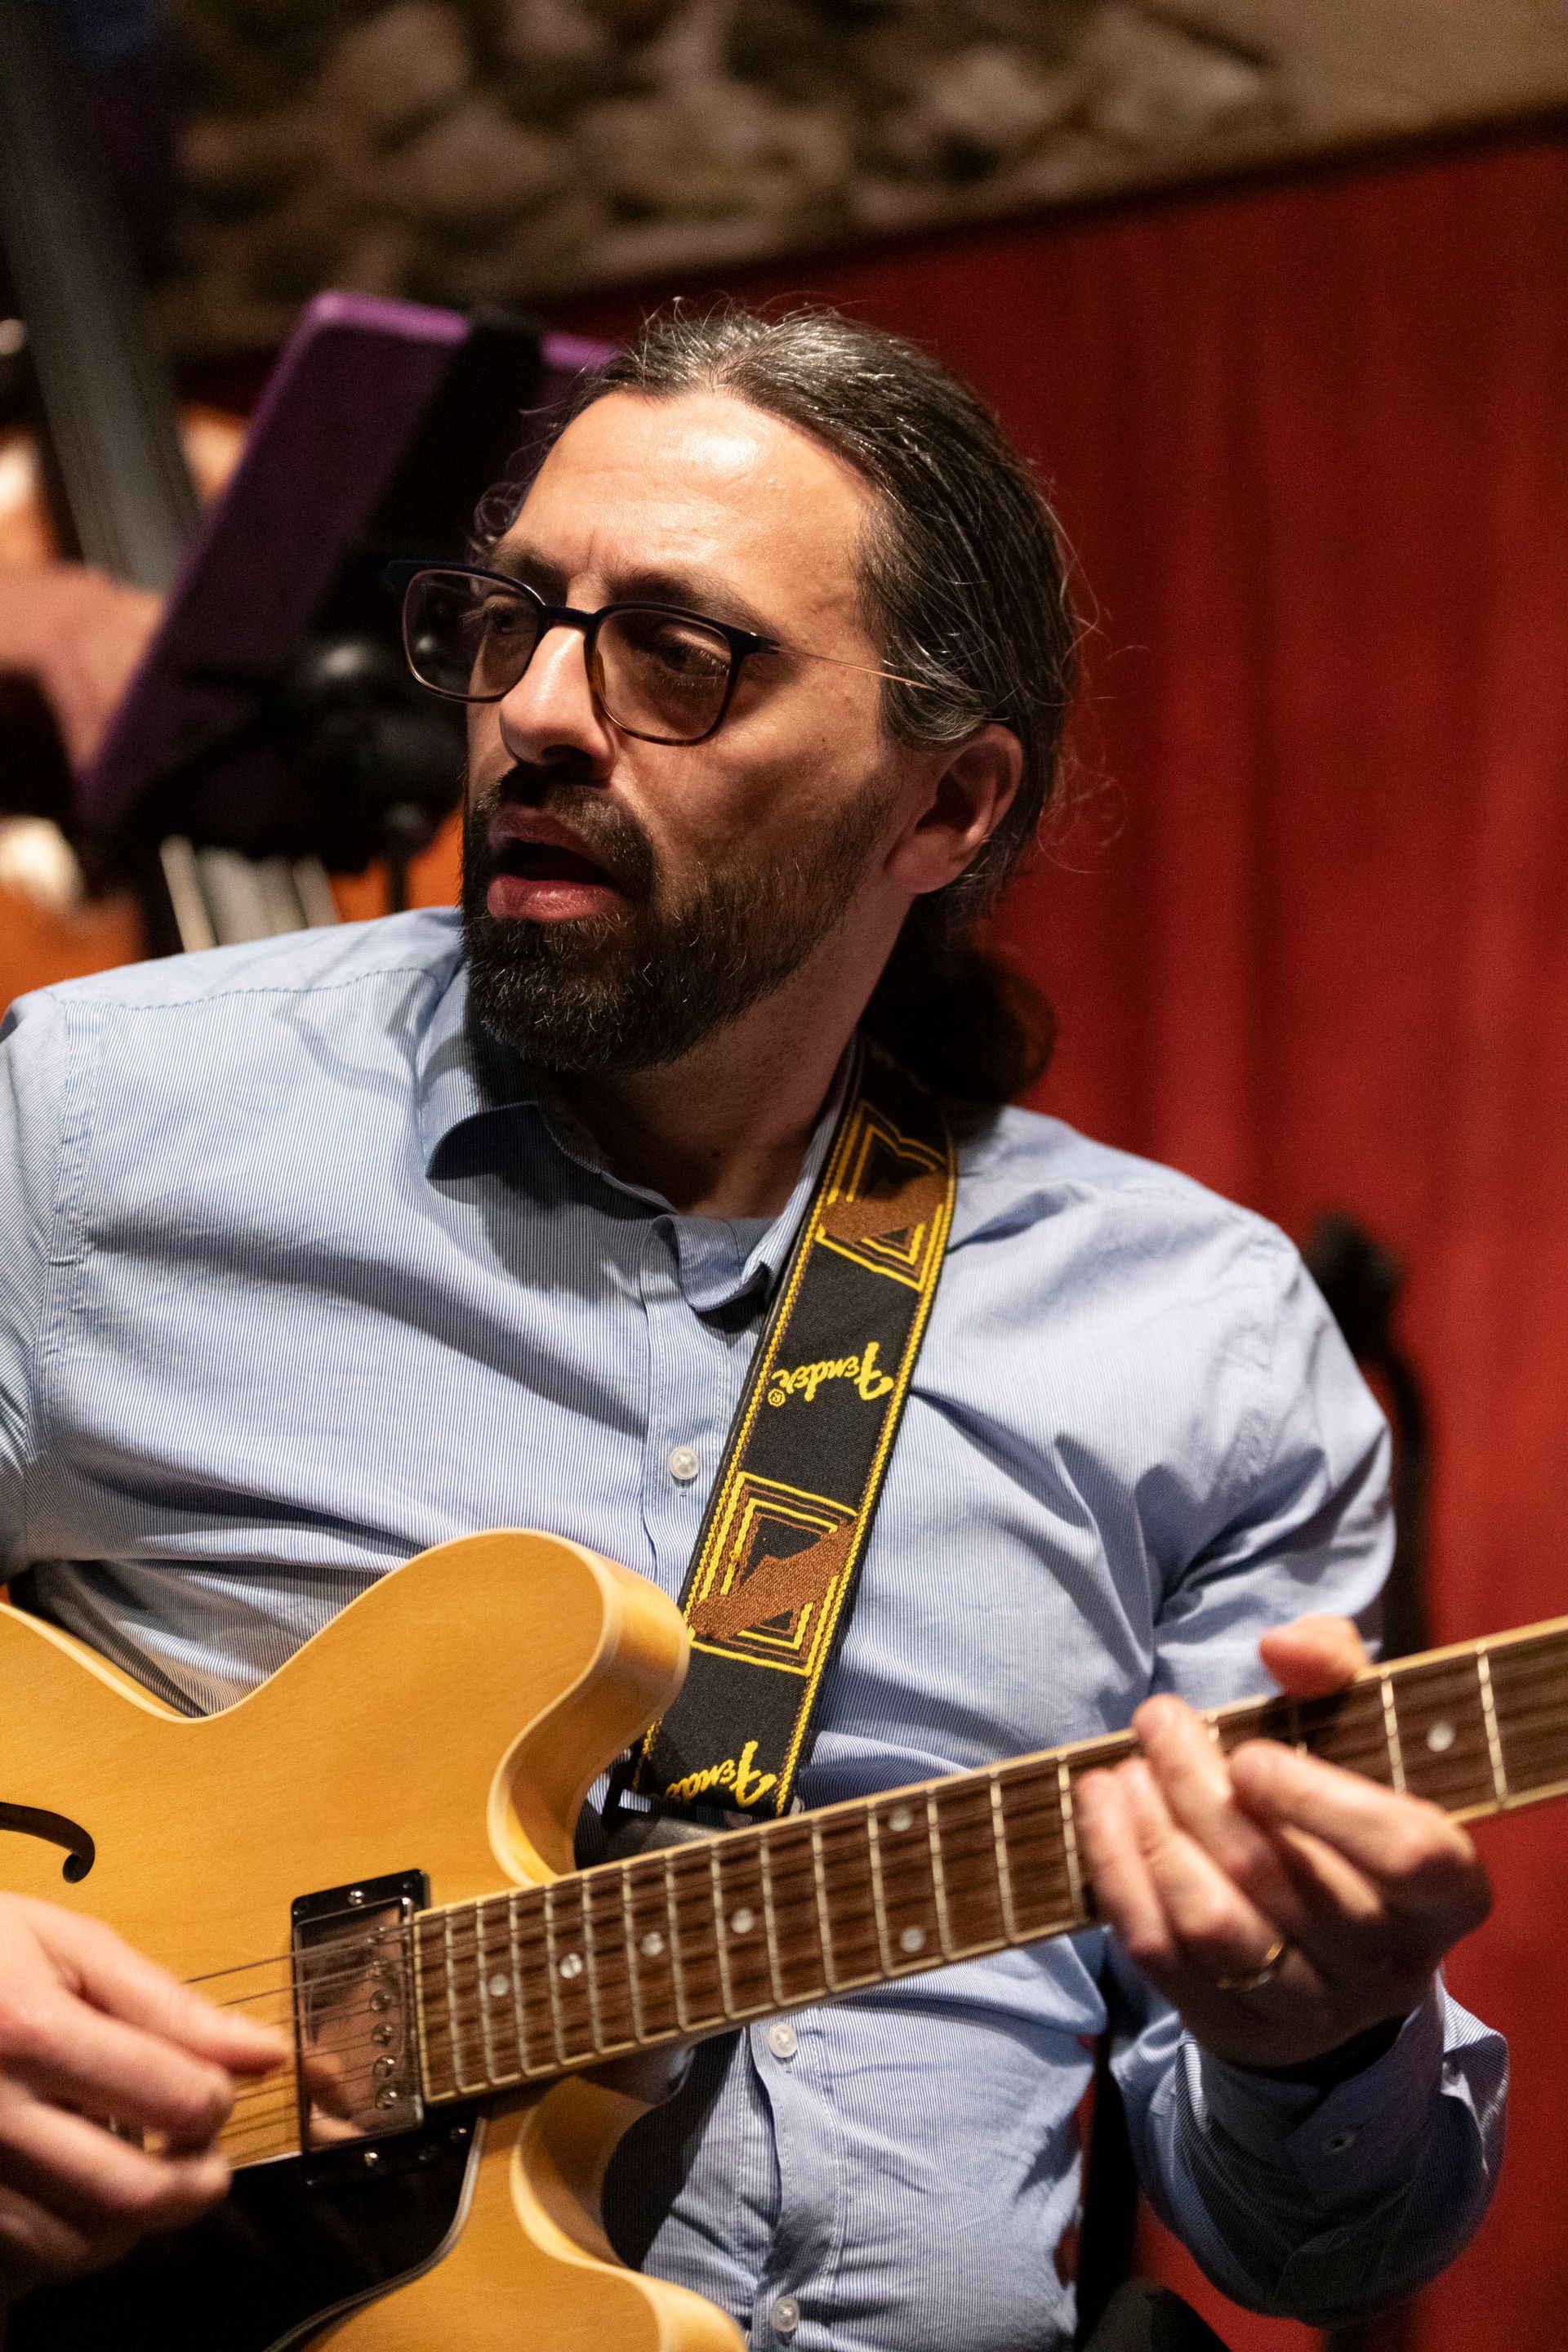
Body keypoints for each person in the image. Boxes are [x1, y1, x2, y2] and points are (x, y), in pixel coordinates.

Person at [0, 305, 1502, 2348]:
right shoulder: (96, 1129)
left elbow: (1322, 2247)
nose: (539, 713)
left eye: (677, 656)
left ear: (946, 808)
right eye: (513, 621)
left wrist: (1317, 2037)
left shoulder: (1197, 1346)